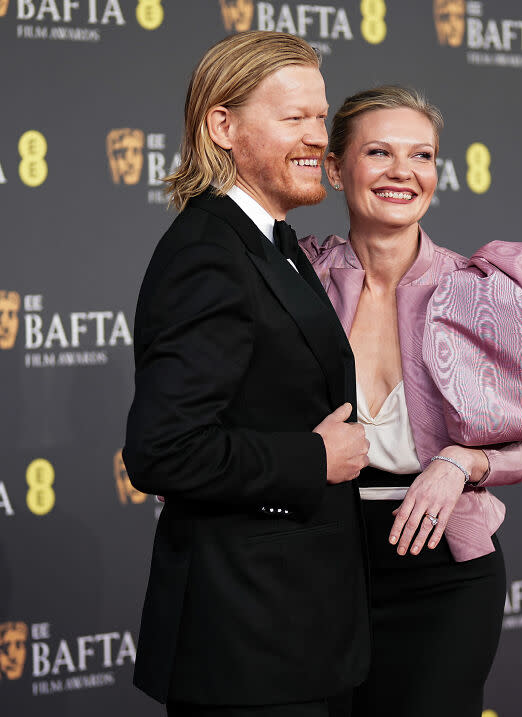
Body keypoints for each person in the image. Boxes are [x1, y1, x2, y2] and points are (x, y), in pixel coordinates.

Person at [300, 86, 522, 716]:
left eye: (422, 155)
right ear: (335, 168)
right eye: (379, 152)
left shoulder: (484, 293)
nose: (403, 172)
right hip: (314, 563)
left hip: (447, 572)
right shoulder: (297, 283)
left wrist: (460, 462)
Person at [122, 32, 371, 717]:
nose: (317, 137)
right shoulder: (209, 253)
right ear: (222, 126)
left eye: (320, 117)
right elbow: (162, 450)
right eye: (294, 118)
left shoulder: (271, 243)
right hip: (247, 647)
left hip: (294, 633)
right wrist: (314, 457)